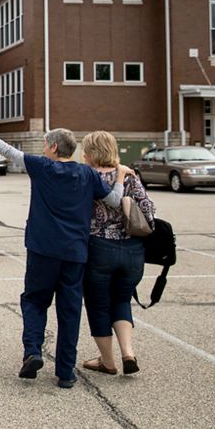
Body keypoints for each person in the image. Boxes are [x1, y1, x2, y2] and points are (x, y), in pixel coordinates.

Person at [0, 122, 127, 388]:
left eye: (46, 145)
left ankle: (33, 351)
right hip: (75, 252)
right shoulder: (86, 174)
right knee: (70, 311)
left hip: (42, 250)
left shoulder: (42, 167)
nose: (44, 149)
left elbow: (7, 151)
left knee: (34, 300)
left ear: (54, 147)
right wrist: (122, 177)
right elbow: (114, 200)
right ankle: (66, 373)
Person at [79, 131, 154, 377]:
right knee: (121, 300)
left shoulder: (86, 177)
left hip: (99, 247)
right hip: (133, 249)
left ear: (90, 152)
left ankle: (108, 362)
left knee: (98, 305)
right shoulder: (131, 175)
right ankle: (128, 353)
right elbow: (149, 210)